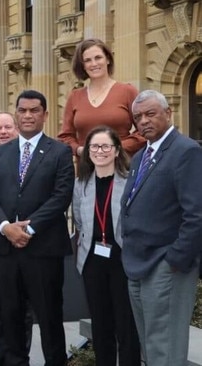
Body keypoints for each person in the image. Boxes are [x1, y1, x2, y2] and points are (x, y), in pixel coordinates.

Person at [0, 90, 74, 366]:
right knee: (9, 316)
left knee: (49, 318)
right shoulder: (0, 154)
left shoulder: (59, 151)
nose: (27, 115)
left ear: (45, 115)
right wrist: (5, 227)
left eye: (34, 110)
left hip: (43, 250)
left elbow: (61, 196)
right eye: (22, 110)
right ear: (16, 114)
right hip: (5, 250)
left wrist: (28, 229)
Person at [121, 90, 202, 365]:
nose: (143, 121)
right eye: (138, 117)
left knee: (164, 350)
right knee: (151, 346)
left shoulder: (186, 151)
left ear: (168, 113)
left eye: (150, 114)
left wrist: (176, 260)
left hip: (166, 264)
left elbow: (196, 214)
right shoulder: (141, 155)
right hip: (138, 263)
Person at [72, 126, 140, 366]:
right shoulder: (81, 183)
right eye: (94, 146)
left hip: (123, 262)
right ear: (87, 151)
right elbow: (79, 220)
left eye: (105, 146)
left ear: (116, 150)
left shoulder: (129, 180)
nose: (100, 151)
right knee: (100, 325)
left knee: (126, 326)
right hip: (92, 262)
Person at [0, 112, 34, 366]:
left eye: (7, 127)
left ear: (16, 129)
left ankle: (18, 357)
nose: (3, 132)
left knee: (20, 308)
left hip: (23, 243)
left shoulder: (30, 161)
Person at [58, 38, 145, 157]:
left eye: (98, 58)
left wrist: (116, 148)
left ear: (108, 59)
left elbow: (144, 130)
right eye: (87, 60)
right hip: (86, 169)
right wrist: (79, 150)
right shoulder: (75, 96)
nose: (94, 64)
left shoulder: (127, 91)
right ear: (83, 65)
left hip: (121, 167)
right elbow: (65, 137)